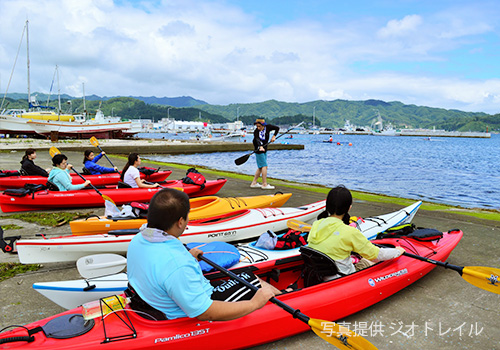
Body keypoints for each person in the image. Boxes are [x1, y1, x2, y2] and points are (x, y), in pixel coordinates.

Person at [126, 188, 277, 321]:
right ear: (180, 222)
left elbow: (161, 267)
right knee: (251, 278)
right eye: (187, 216)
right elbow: (205, 313)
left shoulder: (138, 239)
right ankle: (287, 298)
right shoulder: (177, 264)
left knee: (242, 277)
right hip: (186, 311)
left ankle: (282, 296)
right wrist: (254, 303)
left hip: (154, 301)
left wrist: (188, 257)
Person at [307, 185, 405, 276]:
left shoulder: (317, 224)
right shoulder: (349, 231)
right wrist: (397, 251)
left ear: (327, 206)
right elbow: (376, 255)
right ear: (349, 208)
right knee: (369, 261)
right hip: (342, 276)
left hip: (321, 273)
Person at [250, 118, 279, 190]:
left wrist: (274, 136)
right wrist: (260, 146)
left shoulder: (268, 127)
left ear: (263, 125)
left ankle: (254, 183)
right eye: (257, 126)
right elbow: (257, 139)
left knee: (260, 167)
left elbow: (277, 128)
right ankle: (264, 184)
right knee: (264, 166)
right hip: (258, 149)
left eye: (259, 126)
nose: (258, 128)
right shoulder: (256, 131)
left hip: (265, 149)